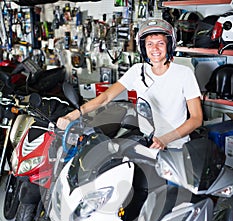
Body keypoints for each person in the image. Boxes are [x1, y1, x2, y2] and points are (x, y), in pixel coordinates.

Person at [57, 18, 203, 149]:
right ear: (143, 48)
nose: (155, 49)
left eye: (160, 43)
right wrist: (73, 115)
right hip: (147, 142)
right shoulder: (137, 71)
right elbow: (106, 97)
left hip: (175, 146)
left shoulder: (184, 73)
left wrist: (165, 139)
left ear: (169, 45)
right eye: (150, 44)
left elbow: (196, 118)